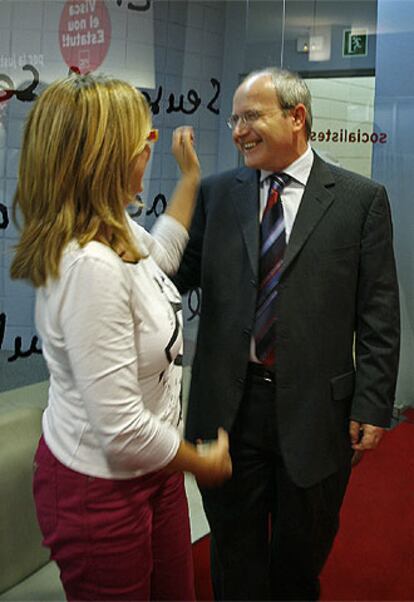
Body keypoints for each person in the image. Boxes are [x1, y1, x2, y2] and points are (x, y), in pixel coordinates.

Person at [174, 67, 400, 601]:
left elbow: (379, 312)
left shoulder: (359, 200)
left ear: (296, 117)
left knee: (301, 558)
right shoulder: (214, 194)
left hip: (317, 414)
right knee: (233, 555)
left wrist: (372, 402)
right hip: (229, 409)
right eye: (234, 118)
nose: (237, 130)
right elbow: (173, 273)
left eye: (251, 116)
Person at [10, 73, 232, 602]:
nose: (148, 152)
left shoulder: (115, 229)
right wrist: (199, 460)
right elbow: (120, 427)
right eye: (144, 142)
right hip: (101, 489)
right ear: (106, 158)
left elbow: (163, 259)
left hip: (151, 471)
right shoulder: (90, 265)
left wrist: (189, 180)